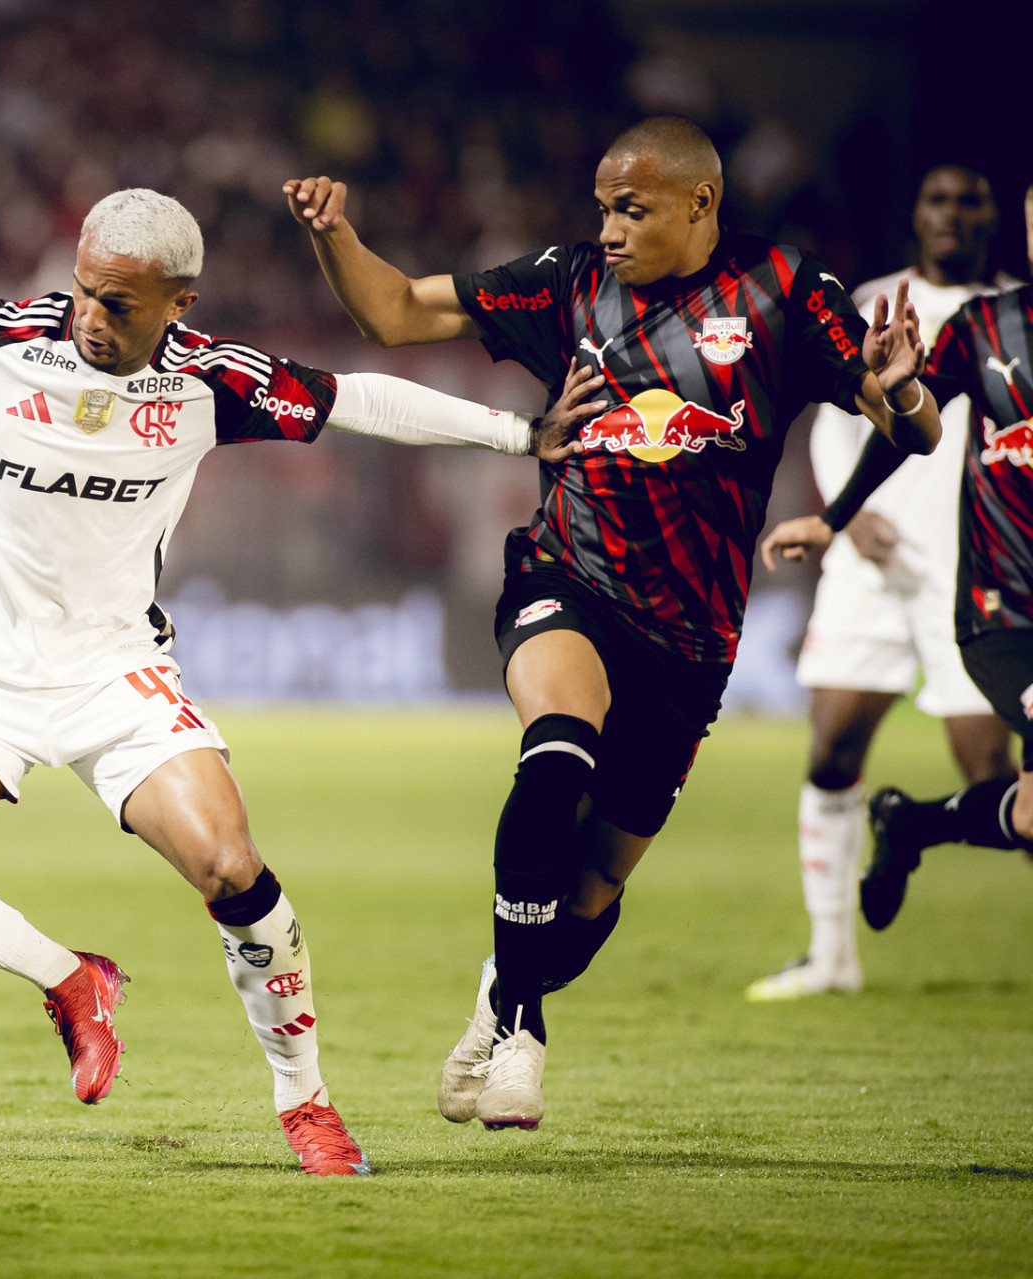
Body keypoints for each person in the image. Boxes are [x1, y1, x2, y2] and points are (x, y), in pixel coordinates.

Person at [0, 189, 597, 1175]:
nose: (91, 317)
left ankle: (305, 1101)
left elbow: (356, 397)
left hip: (118, 676)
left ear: (178, 301)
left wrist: (517, 436)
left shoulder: (214, 381)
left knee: (235, 870)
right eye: (85, 292)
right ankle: (68, 980)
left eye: (121, 305)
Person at [285, 115, 938, 1131]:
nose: (611, 228)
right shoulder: (566, 282)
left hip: (693, 639)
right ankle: (526, 1034)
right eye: (603, 208)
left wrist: (905, 395)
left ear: (700, 203)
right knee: (557, 749)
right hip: (568, 579)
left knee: (590, 894)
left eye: (631, 208)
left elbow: (913, 424)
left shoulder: (780, 295)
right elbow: (398, 311)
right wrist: (334, 236)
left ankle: (501, 998)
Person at [748, 166, 1017, 1002]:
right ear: (916, 212)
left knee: (992, 774)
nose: (952, 215)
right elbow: (830, 417)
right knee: (831, 749)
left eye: (970, 201)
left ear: (992, 217)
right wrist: (844, 514)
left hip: (968, 570)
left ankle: (911, 829)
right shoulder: (866, 300)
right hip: (867, 565)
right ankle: (831, 955)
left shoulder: (1008, 315)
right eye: (938, 199)